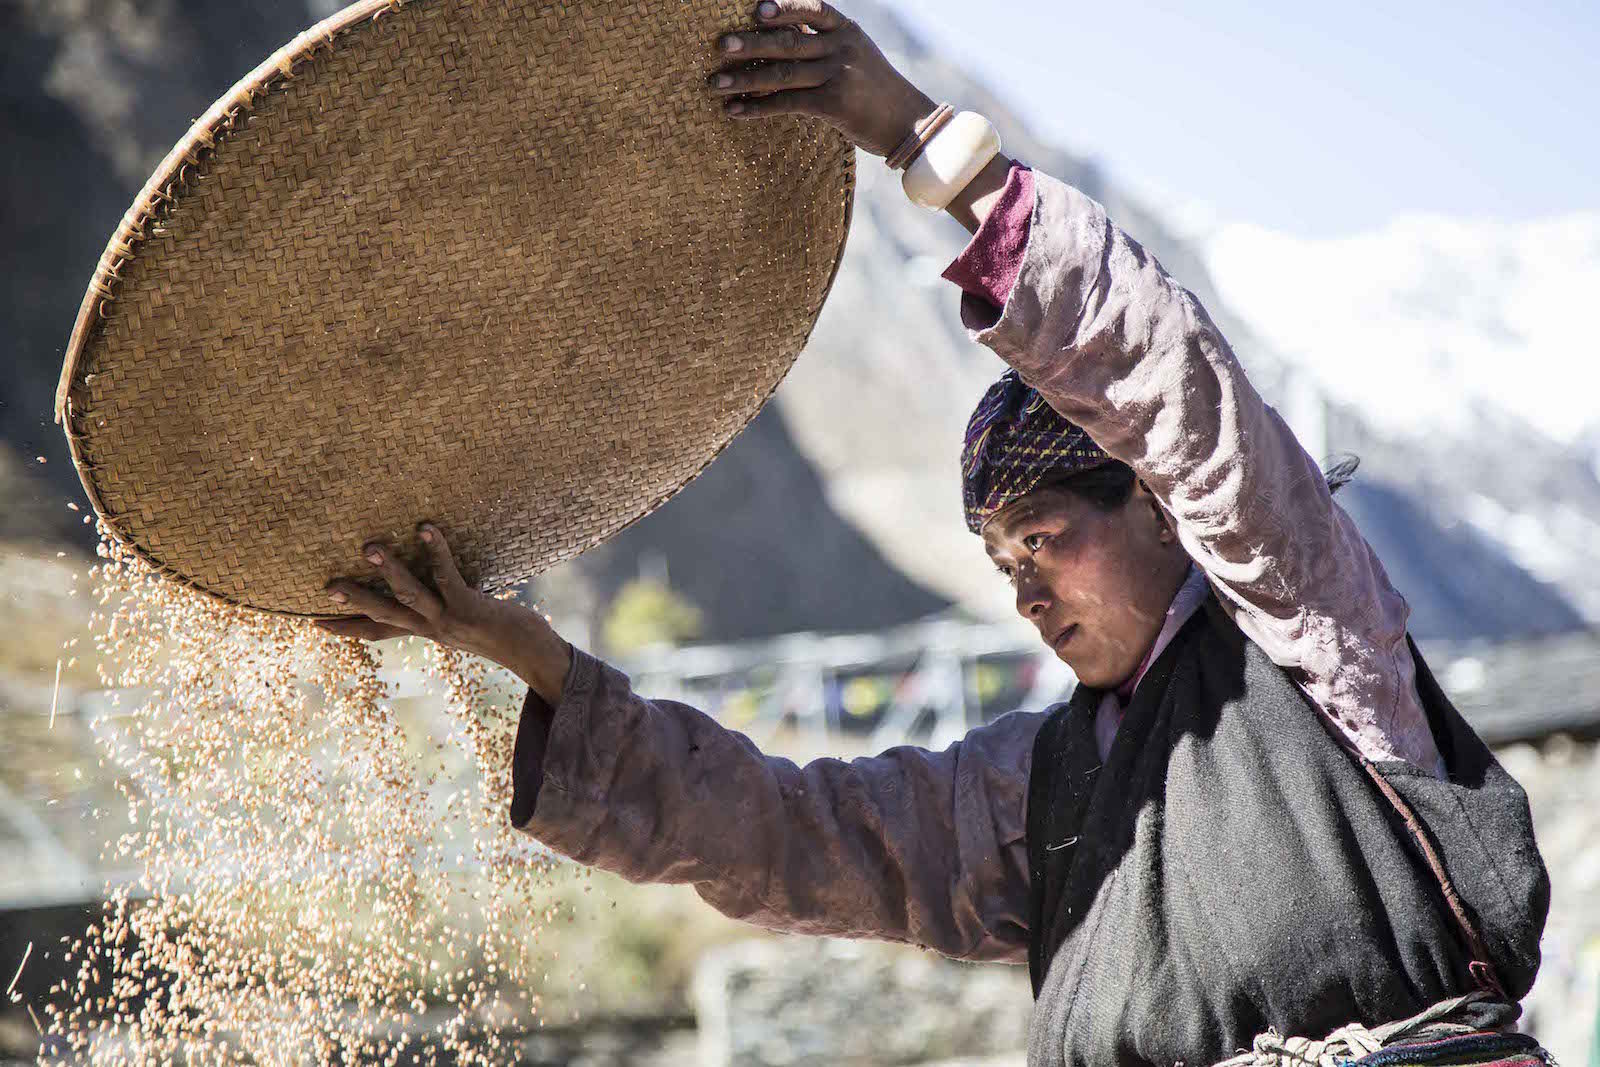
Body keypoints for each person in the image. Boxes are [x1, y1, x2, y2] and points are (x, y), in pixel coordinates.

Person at [317, 3, 1551, 1062]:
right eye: (999, 561)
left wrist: (922, 140)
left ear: (1163, 511)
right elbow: (791, 828)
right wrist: (538, 667)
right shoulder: (1040, 788)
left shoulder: (1312, 642)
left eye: (1045, 535)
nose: (1022, 587)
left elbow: (1165, 378)